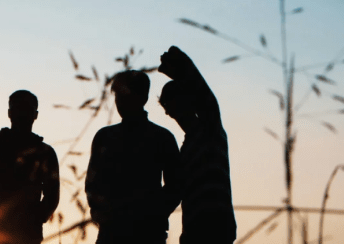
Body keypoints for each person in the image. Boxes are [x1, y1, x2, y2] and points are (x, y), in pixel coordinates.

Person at [85, 70, 182, 243]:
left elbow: (176, 186)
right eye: (117, 96)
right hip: (113, 232)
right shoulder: (104, 137)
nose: (120, 102)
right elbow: (92, 184)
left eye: (125, 95)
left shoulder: (162, 138)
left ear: (143, 98)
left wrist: (153, 213)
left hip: (147, 233)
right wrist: (100, 213)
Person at [158, 46, 237, 244]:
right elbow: (175, 190)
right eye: (166, 105)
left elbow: (206, 97)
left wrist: (180, 66)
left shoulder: (212, 130)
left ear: (188, 100)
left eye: (173, 101)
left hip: (218, 229)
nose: (170, 110)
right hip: (192, 233)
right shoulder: (183, 151)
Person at [0, 90, 60, 244]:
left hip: (28, 234)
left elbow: (52, 195)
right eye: (19, 109)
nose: (23, 114)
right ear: (10, 113)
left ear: (35, 114)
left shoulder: (45, 152)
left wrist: (36, 218)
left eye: (27, 109)